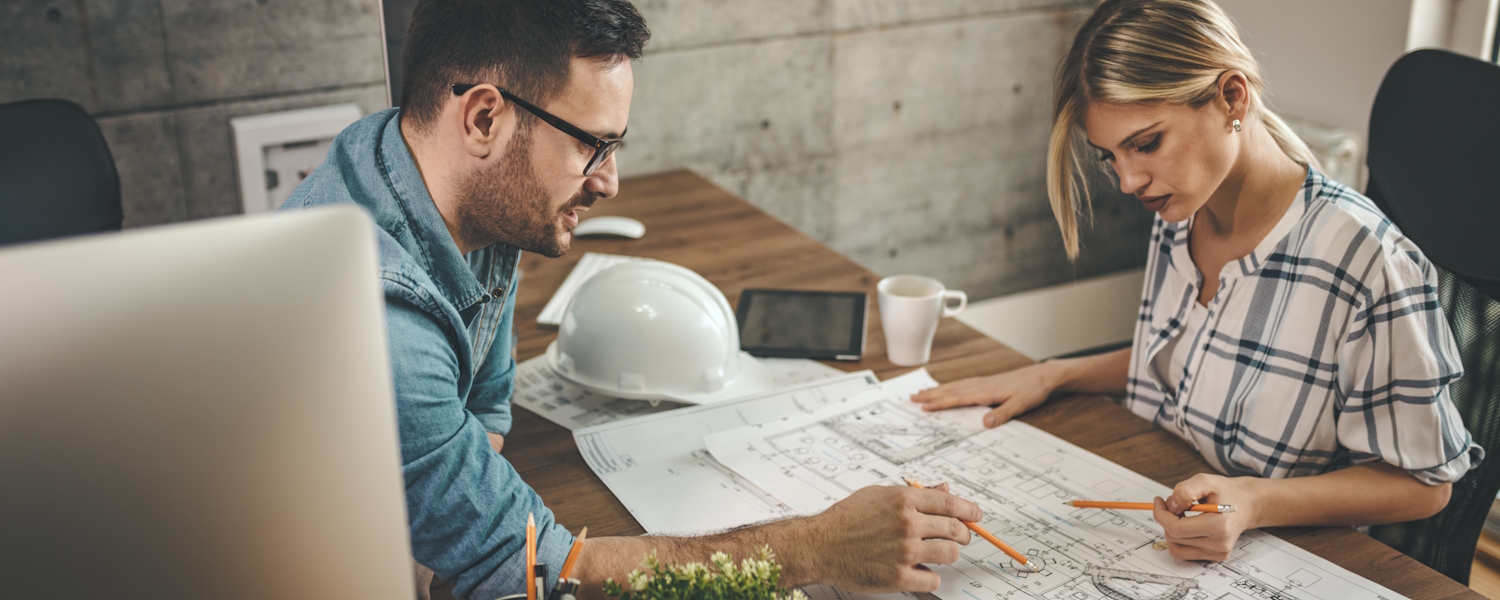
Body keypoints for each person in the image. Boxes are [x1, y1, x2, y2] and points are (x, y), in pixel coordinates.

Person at [281, 0, 980, 598]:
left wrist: (468, 525)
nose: (609, 181)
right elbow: (540, 570)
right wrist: (819, 547)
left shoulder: (452, 177)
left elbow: (486, 411)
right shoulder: (383, 327)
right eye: (592, 145)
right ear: (484, 119)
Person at [912, 0, 1482, 563]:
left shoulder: (1365, 262)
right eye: (1109, 156)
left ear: (1232, 97)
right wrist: (1058, 372)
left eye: (1146, 142)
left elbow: (1426, 485)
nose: (1129, 181)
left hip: (1292, 555)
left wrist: (1255, 501)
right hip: (1167, 507)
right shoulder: (1184, 205)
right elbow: (1201, 354)